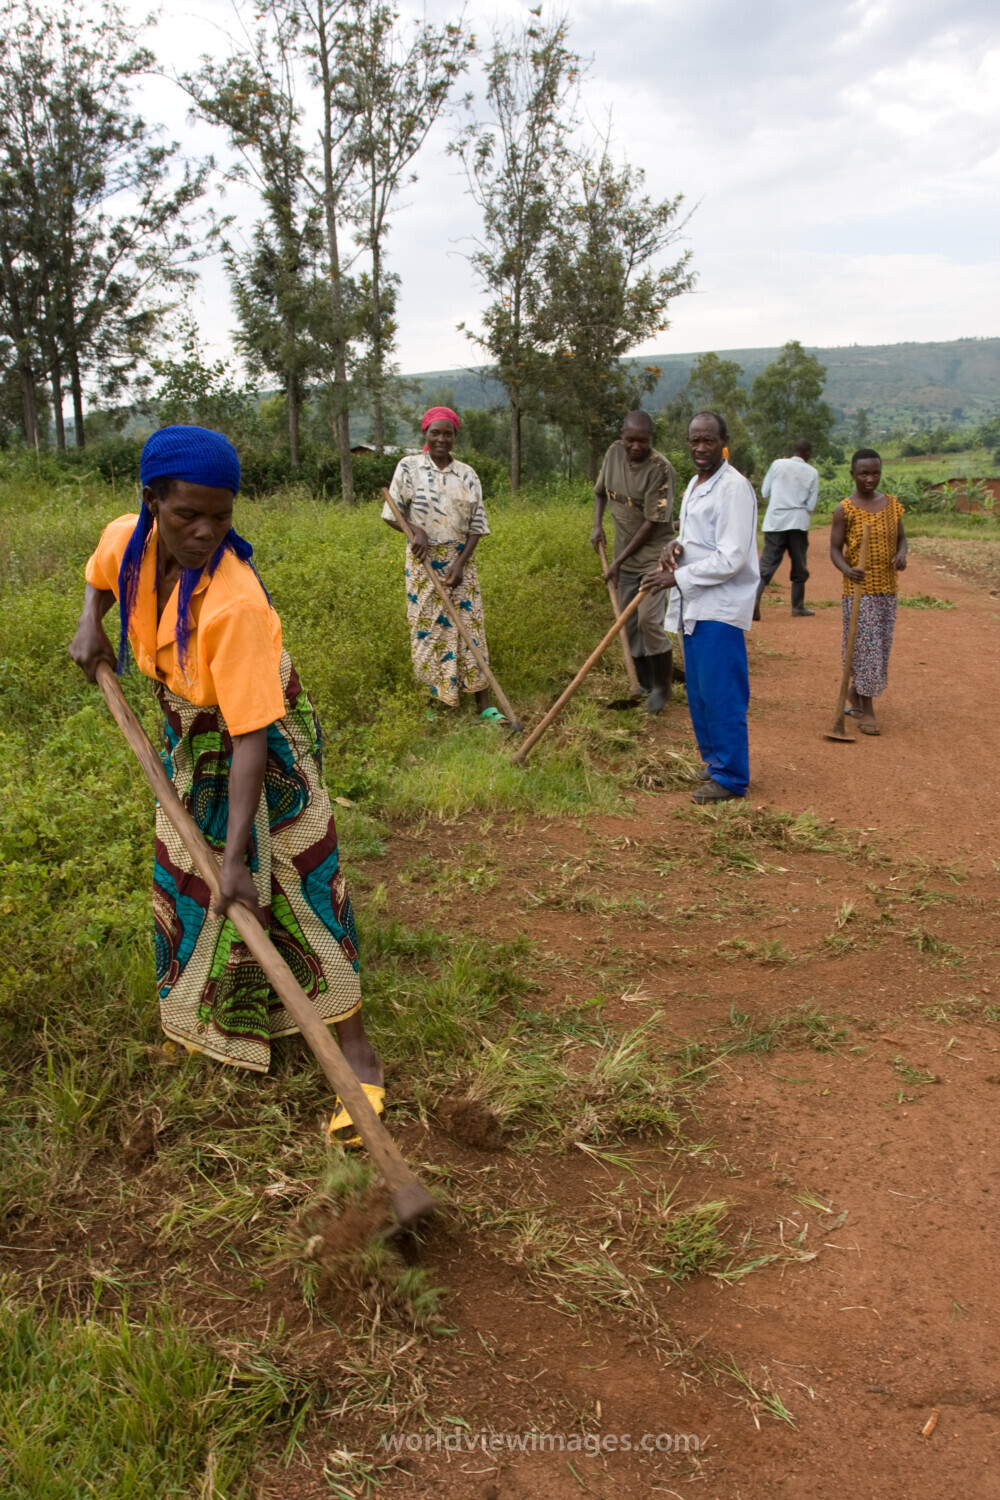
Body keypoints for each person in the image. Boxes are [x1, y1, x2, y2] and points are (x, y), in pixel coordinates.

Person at [68, 425, 383, 1144]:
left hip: (263, 737)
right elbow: (99, 575)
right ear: (153, 503)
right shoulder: (128, 539)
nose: (207, 530)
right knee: (190, 871)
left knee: (301, 872)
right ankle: (215, 1017)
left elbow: (250, 739)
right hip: (189, 723)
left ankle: (358, 1049)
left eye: (222, 516)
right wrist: (92, 623)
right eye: (189, 516)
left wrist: (238, 857)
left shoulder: (233, 604)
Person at [641, 411, 760, 803]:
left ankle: (730, 778)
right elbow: (696, 539)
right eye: (694, 440)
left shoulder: (734, 488)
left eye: (708, 440)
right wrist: (674, 546)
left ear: (724, 440)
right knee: (701, 692)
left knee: (722, 693)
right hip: (694, 606)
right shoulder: (695, 483)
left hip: (720, 608)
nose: (700, 447)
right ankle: (714, 762)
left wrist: (675, 577)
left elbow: (731, 558)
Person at [383, 406, 504, 723]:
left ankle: (484, 704)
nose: (441, 439)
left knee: (471, 628)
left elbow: (477, 525)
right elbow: (391, 513)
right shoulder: (409, 468)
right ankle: (436, 703)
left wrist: (461, 562)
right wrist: (414, 530)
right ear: (425, 433)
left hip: (460, 561)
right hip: (423, 562)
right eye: (434, 432)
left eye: (447, 433)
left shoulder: (466, 474)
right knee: (429, 630)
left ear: (454, 436)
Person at [591, 411, 678, 713]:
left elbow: (652, 524)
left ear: (651, 439)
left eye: (643, 440)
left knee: (648, 620)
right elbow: (601, 493)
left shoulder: (661, 470)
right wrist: (597, 525)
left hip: (655, 555)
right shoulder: (614, 453)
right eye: (631, 440)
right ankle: (643, 681)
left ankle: (663, 688)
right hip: (621, 555)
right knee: (627, 623)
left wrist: (619, 561)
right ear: (623, 437)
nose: (636, 446)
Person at [830, 448, 907, 736]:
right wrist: (847, 569)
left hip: (887, 589)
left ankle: (856, 692)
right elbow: (835, 550)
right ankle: (868, 709)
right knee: (867, 649)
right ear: (852, 474)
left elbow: (902, 540)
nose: (870, 478)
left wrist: (901, 555)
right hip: (858, 591)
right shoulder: (844, 509)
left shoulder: (892, 505)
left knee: (880, 647)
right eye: (863, 473)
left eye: (875, 473)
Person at [754, 438, 819, 619]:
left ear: (794, 451)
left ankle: (754, 599)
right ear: (808, 454)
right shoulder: (812, 472)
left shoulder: (778, 464)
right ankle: (798, 607)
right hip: (798, 522)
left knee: (768, 562)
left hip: (775, 520)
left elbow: (765, 492)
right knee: (799, 564)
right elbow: (811, 505)